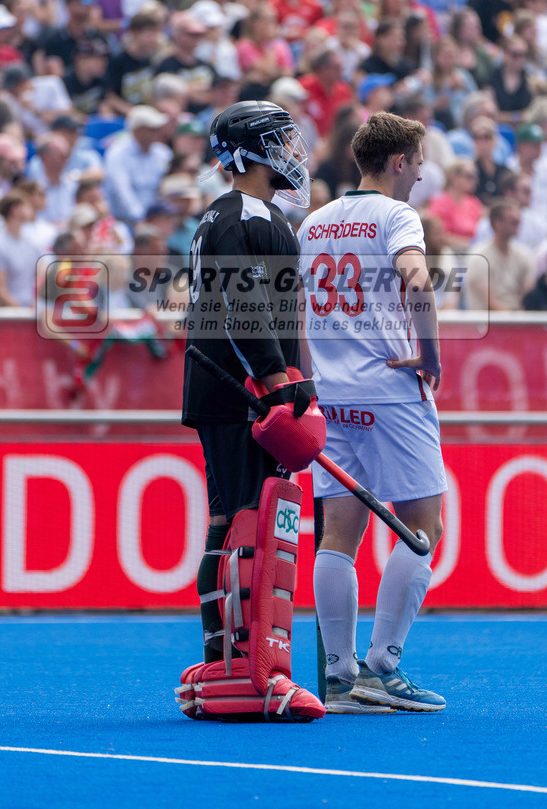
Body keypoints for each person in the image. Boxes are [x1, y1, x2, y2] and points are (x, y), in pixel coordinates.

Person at [179, 99, 325, 722]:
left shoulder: (230, 215)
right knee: (251, 524)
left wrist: (297, 380)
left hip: (229, 389)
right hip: (243, 392)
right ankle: (254, 667)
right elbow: (243, 310)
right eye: (283, 139)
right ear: (255, 150)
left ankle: (227, 662)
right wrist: (275, 382)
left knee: (231, 520)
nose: (294, 151)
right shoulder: (247, 215)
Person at [299, 110, 446, 713]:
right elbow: (417, 281)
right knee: (423, 530)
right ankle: (382, 668)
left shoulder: (312, 223)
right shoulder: (396, 214)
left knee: (338, 535)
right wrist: (428, 355)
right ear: (396, 162)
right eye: (417, 161)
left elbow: (295, 312)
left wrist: (313, 379)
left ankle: (338, 675)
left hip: (330, 395)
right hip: (388, 390)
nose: (420, 171)